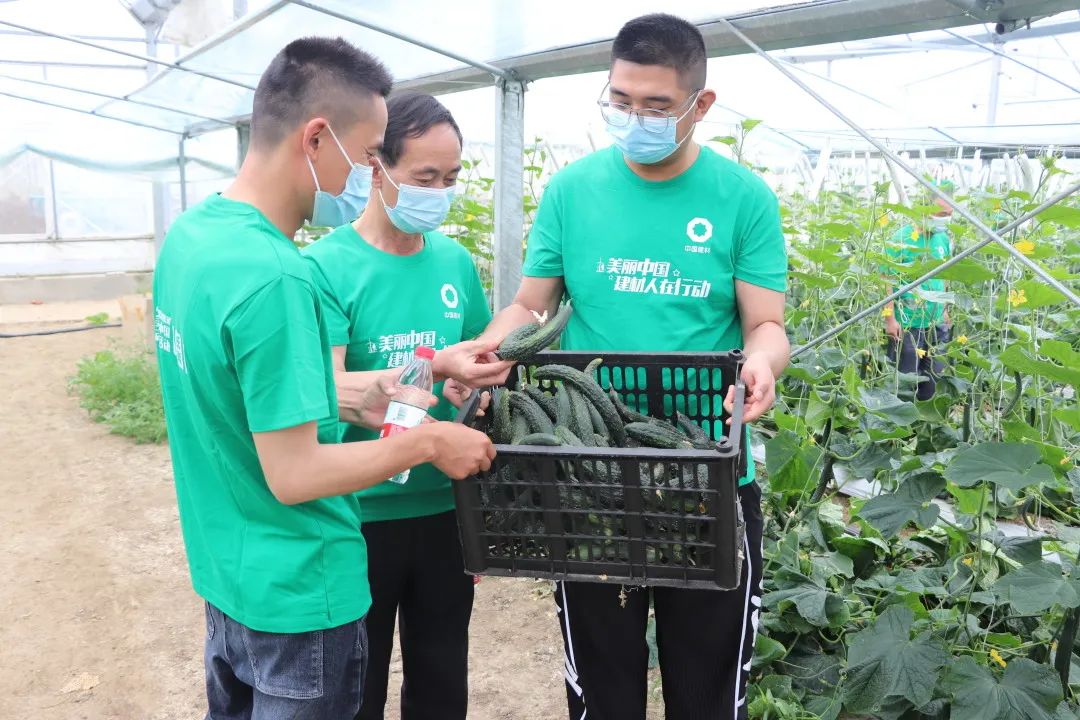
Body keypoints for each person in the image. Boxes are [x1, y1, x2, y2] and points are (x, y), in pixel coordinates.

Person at [153, 37, 500, 720]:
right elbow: (295, 472)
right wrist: (431, 442)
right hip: (300, 587)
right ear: (316, 139)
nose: (368, 172)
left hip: (231, 579)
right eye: (368, 153)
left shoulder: (193, 240)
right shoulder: (279, 277)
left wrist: (388, 386)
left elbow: (239, 397)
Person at [479, 14, 789, 720]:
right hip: (590, 472)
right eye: (621, 100)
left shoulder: (743, 199)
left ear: (700, 105)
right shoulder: (571, 190)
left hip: (705, 468)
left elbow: (765, 324)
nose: (634, 118)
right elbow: (530, 304)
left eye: (656, 105)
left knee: (707, 689)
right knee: (603, 686)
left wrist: (763, 363)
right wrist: (490, 349)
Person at [302, 92, 492, 720]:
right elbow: (329, 388)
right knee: (357, 683)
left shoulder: (454, 263)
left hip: (444, 507)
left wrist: (472, 392)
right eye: (424, 177)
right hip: (360, 511)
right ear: (376, 167)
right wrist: (432, 366)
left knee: (441, 676)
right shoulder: (325, 267)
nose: (438, 193)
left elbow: (474, 363)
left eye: (450, 179)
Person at [883, 181, 954, 401]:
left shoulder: (942, 238)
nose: (945, 219)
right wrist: (889, 319)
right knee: (905, 381)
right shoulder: (902, 238)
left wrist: (944, 309)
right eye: (942, 214)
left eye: (949, 214)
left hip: (936, 321)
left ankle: (926, 415)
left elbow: (944, 275)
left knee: (934, 376)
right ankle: (904, 418)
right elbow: (886, 279)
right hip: (908, 322)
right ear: (925, 208)